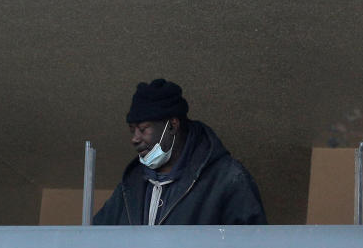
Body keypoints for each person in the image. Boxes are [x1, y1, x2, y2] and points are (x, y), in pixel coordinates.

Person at [93, 79, 267, 226]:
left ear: (172, 126)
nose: (135, 138)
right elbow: (95, 241)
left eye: (143, 129)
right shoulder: (131, 183)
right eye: (132, 130)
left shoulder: (227, 179)